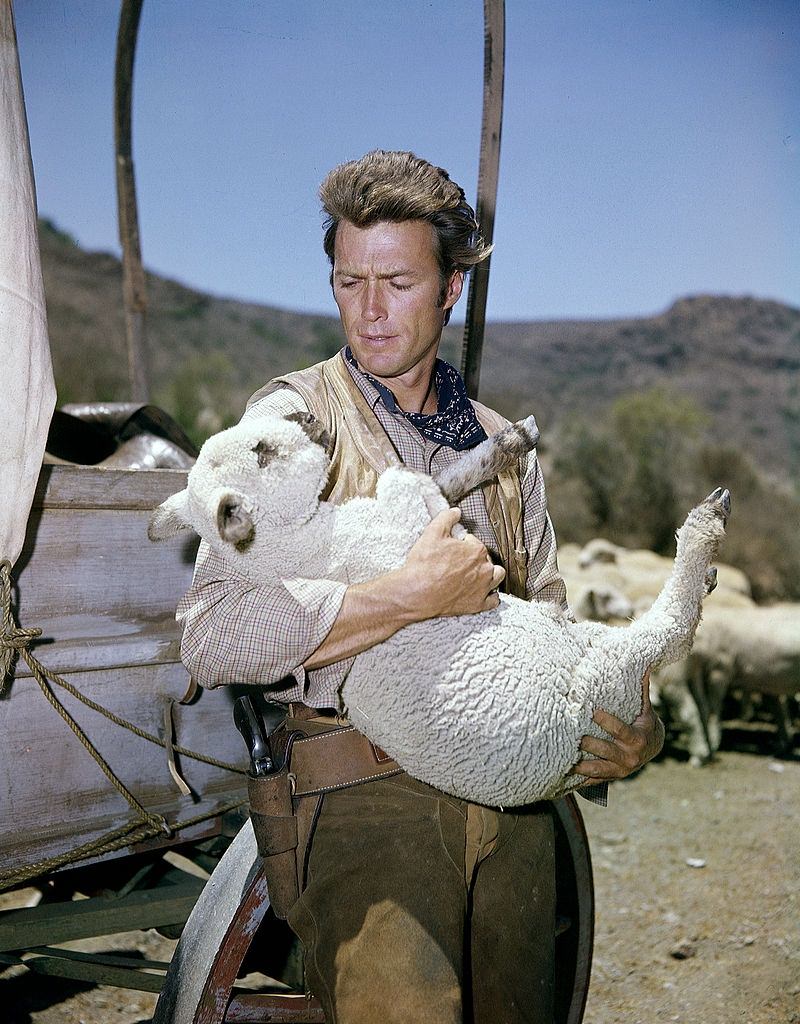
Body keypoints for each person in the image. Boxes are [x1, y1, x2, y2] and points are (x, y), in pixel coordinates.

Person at [178, 150, 664, 1024]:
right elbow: (212, 634)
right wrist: (405, 597)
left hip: (518, 814)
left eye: (397, 280)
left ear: (450, 290)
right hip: (365, 804)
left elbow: (551, 628)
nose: (369, 309)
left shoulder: (503, 448)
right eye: (348, 279)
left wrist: (633, 734)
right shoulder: (289, 425)